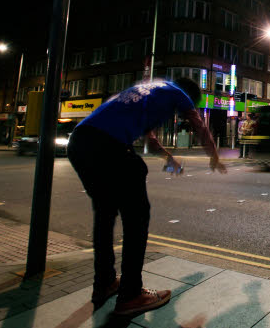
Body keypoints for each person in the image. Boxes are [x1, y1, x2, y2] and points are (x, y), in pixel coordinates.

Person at [67, 78, 226, 316]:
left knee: (105, 213)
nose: (182, 113)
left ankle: (105, 282)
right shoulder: (178, 93)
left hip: (79, 142)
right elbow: (199, 125)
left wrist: (168, 158)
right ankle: (131, 294)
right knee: (136, 219)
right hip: (109, 147)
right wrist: (214, 156)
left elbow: (150, 141)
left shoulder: (149, 93)